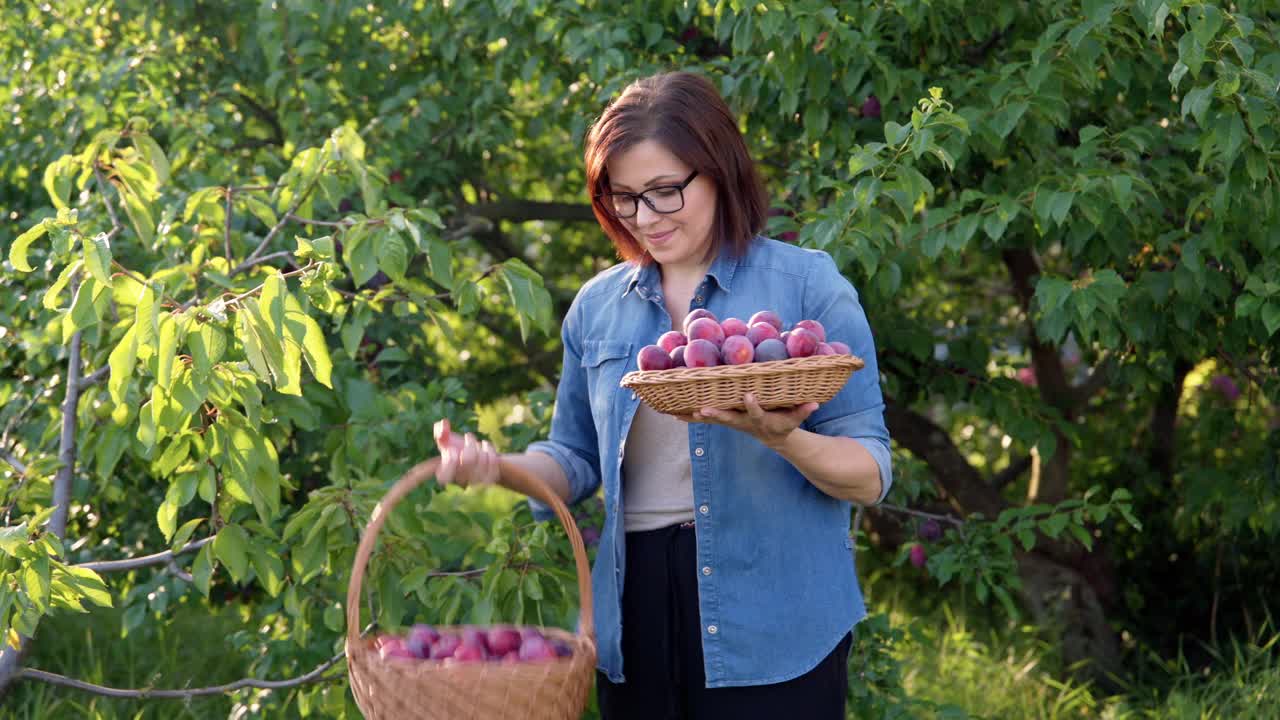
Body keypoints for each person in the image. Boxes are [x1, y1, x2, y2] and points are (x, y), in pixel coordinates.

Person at [431, 70, 892, 719]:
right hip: (637, 608)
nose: (645, 217)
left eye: (665, 191)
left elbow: (869, 474)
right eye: (624, 198)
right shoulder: (598, 309)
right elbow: (573, 459)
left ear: (720, 170)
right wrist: (495, 467)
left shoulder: (806, 287)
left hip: (775, 614)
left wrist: (784, 438)